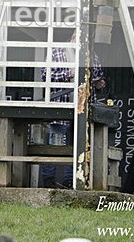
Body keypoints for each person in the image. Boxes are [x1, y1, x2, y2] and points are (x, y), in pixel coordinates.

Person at [39, 31, 107, 188]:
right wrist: (69, 73)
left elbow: (98, 75)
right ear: (72, 37)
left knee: (77, 145)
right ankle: (48, 180)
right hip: (61, 106)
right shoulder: (58, 52)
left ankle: (70, 181)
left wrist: (99, 83)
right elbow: (45, 75)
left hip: (82, 109)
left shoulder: (91, 55)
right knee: (55, 144)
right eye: (78, 36)